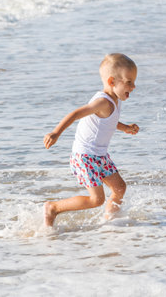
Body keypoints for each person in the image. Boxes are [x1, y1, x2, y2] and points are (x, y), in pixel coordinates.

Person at [43, 53, 139, 227]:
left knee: (119, 188)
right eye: (129, 82)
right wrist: (56, 132)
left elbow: (106, 121)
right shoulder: (102, 101)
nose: (133, 86)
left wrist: (124, 127)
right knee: (96, 199)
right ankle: (53, 208)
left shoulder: (115, 100)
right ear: (112, 82)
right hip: (85, 156)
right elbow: (75, 114)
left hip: (99, 155)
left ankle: (110, 223)